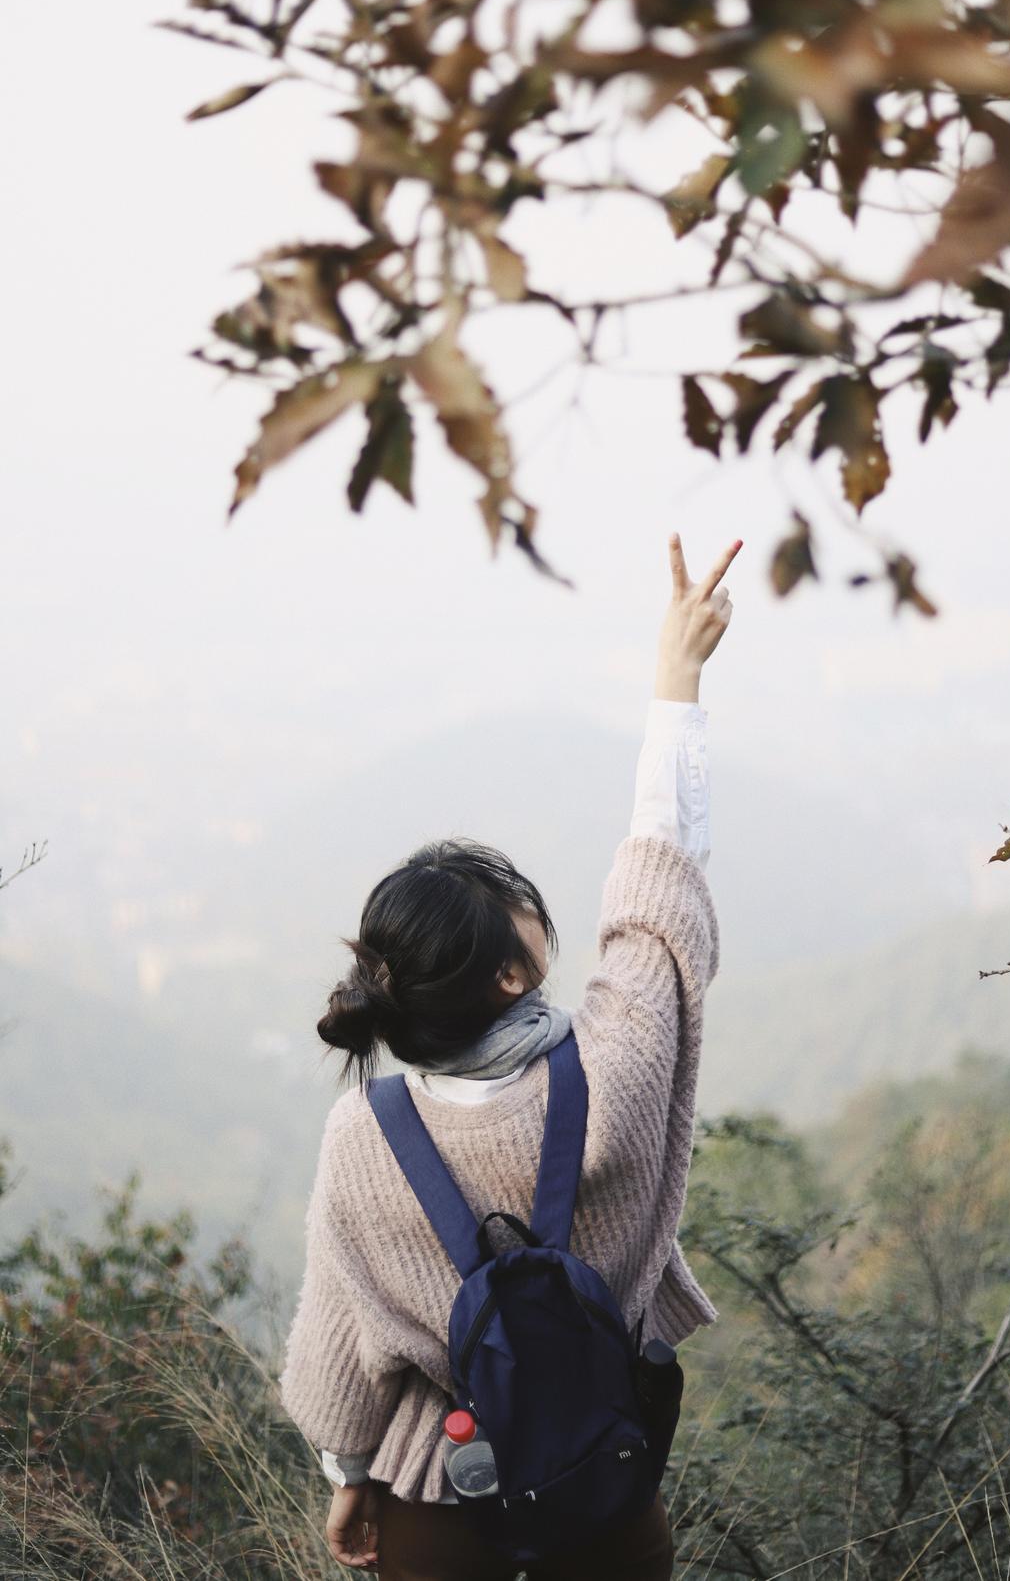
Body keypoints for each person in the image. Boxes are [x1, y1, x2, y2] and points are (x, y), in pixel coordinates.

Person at [279, 530, 741, 1580]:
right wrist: (678, 683)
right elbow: (661, 890)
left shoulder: (365, 1134)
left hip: (439, 1503)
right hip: (601, 1489)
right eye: (519, 908)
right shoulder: (613, 1073)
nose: (537, 911)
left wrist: (350, 1474)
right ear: (511, 976)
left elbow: (339, 1338)